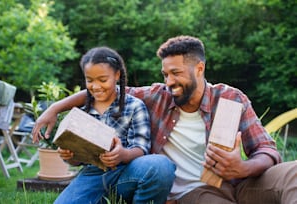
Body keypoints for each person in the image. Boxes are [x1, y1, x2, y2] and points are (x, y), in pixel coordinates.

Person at [33, 36, 297, 204]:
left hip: (244, 182)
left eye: (176, 73)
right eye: (165, 74)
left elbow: (266, 150)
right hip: (200, 192)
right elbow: (107, 89)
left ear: (199, 69)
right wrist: (55, 107)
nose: (169, 81)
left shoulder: (230, 98)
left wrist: (242, 169)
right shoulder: (157, 96)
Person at [33, 47, 176, 204]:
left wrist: (122, 154)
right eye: (90, 80)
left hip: (127, 172)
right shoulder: (81, 113)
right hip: (92, 176)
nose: (96, 86)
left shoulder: (134, 106)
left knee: (161, 166)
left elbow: (141, 149)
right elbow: (77, 161)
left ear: (117, 75)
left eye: (102, 80)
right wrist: (70, 156)